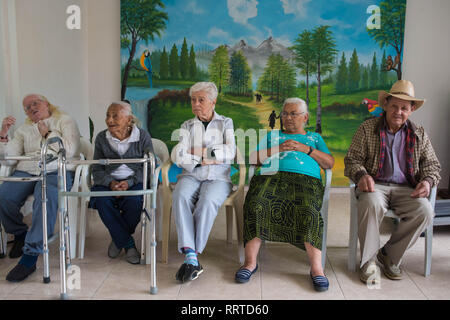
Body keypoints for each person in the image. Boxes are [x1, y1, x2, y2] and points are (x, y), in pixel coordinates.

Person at [344, 80, 441, 285]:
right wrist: (362, 175)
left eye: (404, 108)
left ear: (411, 110)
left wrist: (427, 181)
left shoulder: (419, 134)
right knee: (371, 203)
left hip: (407, 188)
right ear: (385, 105)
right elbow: (352, 159)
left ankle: (389, 254)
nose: (398, 112)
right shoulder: (367, 128)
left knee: (425, 211)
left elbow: (433, 165)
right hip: (375, 185)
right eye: (394, 106)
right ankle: (369, 261)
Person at [235, 97, 334, 292]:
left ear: (305, 117)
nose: (287, 118)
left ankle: (317, 269)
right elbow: (253, 158)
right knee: (256, 203)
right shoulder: (272, 136)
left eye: (293, 114)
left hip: (305, 180)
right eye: (285, 113)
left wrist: (307, 149)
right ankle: (250, 263)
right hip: (270, 177)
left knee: (308, 209)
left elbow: (329, 163)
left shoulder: (314, 138)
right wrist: (279, 148)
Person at [0, 94, 81, 282]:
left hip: (56, 170)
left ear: (46, 103)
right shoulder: (23, 129)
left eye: (35, 103)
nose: (32, 108)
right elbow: (10, 158)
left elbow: (70, 151)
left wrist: (47, 134)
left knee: (44, 199)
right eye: (27, 107)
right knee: (4, 196)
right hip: (27, 169)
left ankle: (30, 256)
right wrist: (3, 136)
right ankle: (20, 233)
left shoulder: (65, 120)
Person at [172, 82, 236, 282]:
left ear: (213, 101)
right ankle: (191, 256)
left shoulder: (226, 123)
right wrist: (209, 156)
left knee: (207, 201)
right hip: (191, 174)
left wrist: (197, 151)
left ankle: (192, 254)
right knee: (180, 195)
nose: (196, 104)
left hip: (218, 176)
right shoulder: (187, 126)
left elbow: (230, 152)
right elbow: (179, 156)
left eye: (201, 100)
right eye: (193, 100)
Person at [89, 102, 154, 264]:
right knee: (102, 200)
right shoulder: (101, 138)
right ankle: (128, 243)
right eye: (108, 115)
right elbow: (96, 168)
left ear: (129, 119)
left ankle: (118, 239)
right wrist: (111, 183)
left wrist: (129, 182)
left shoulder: (143, 137)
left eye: (115, 116)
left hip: (135, 180)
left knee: (134, 201)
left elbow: (149, 166)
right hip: (107, 181)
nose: (109, 119)